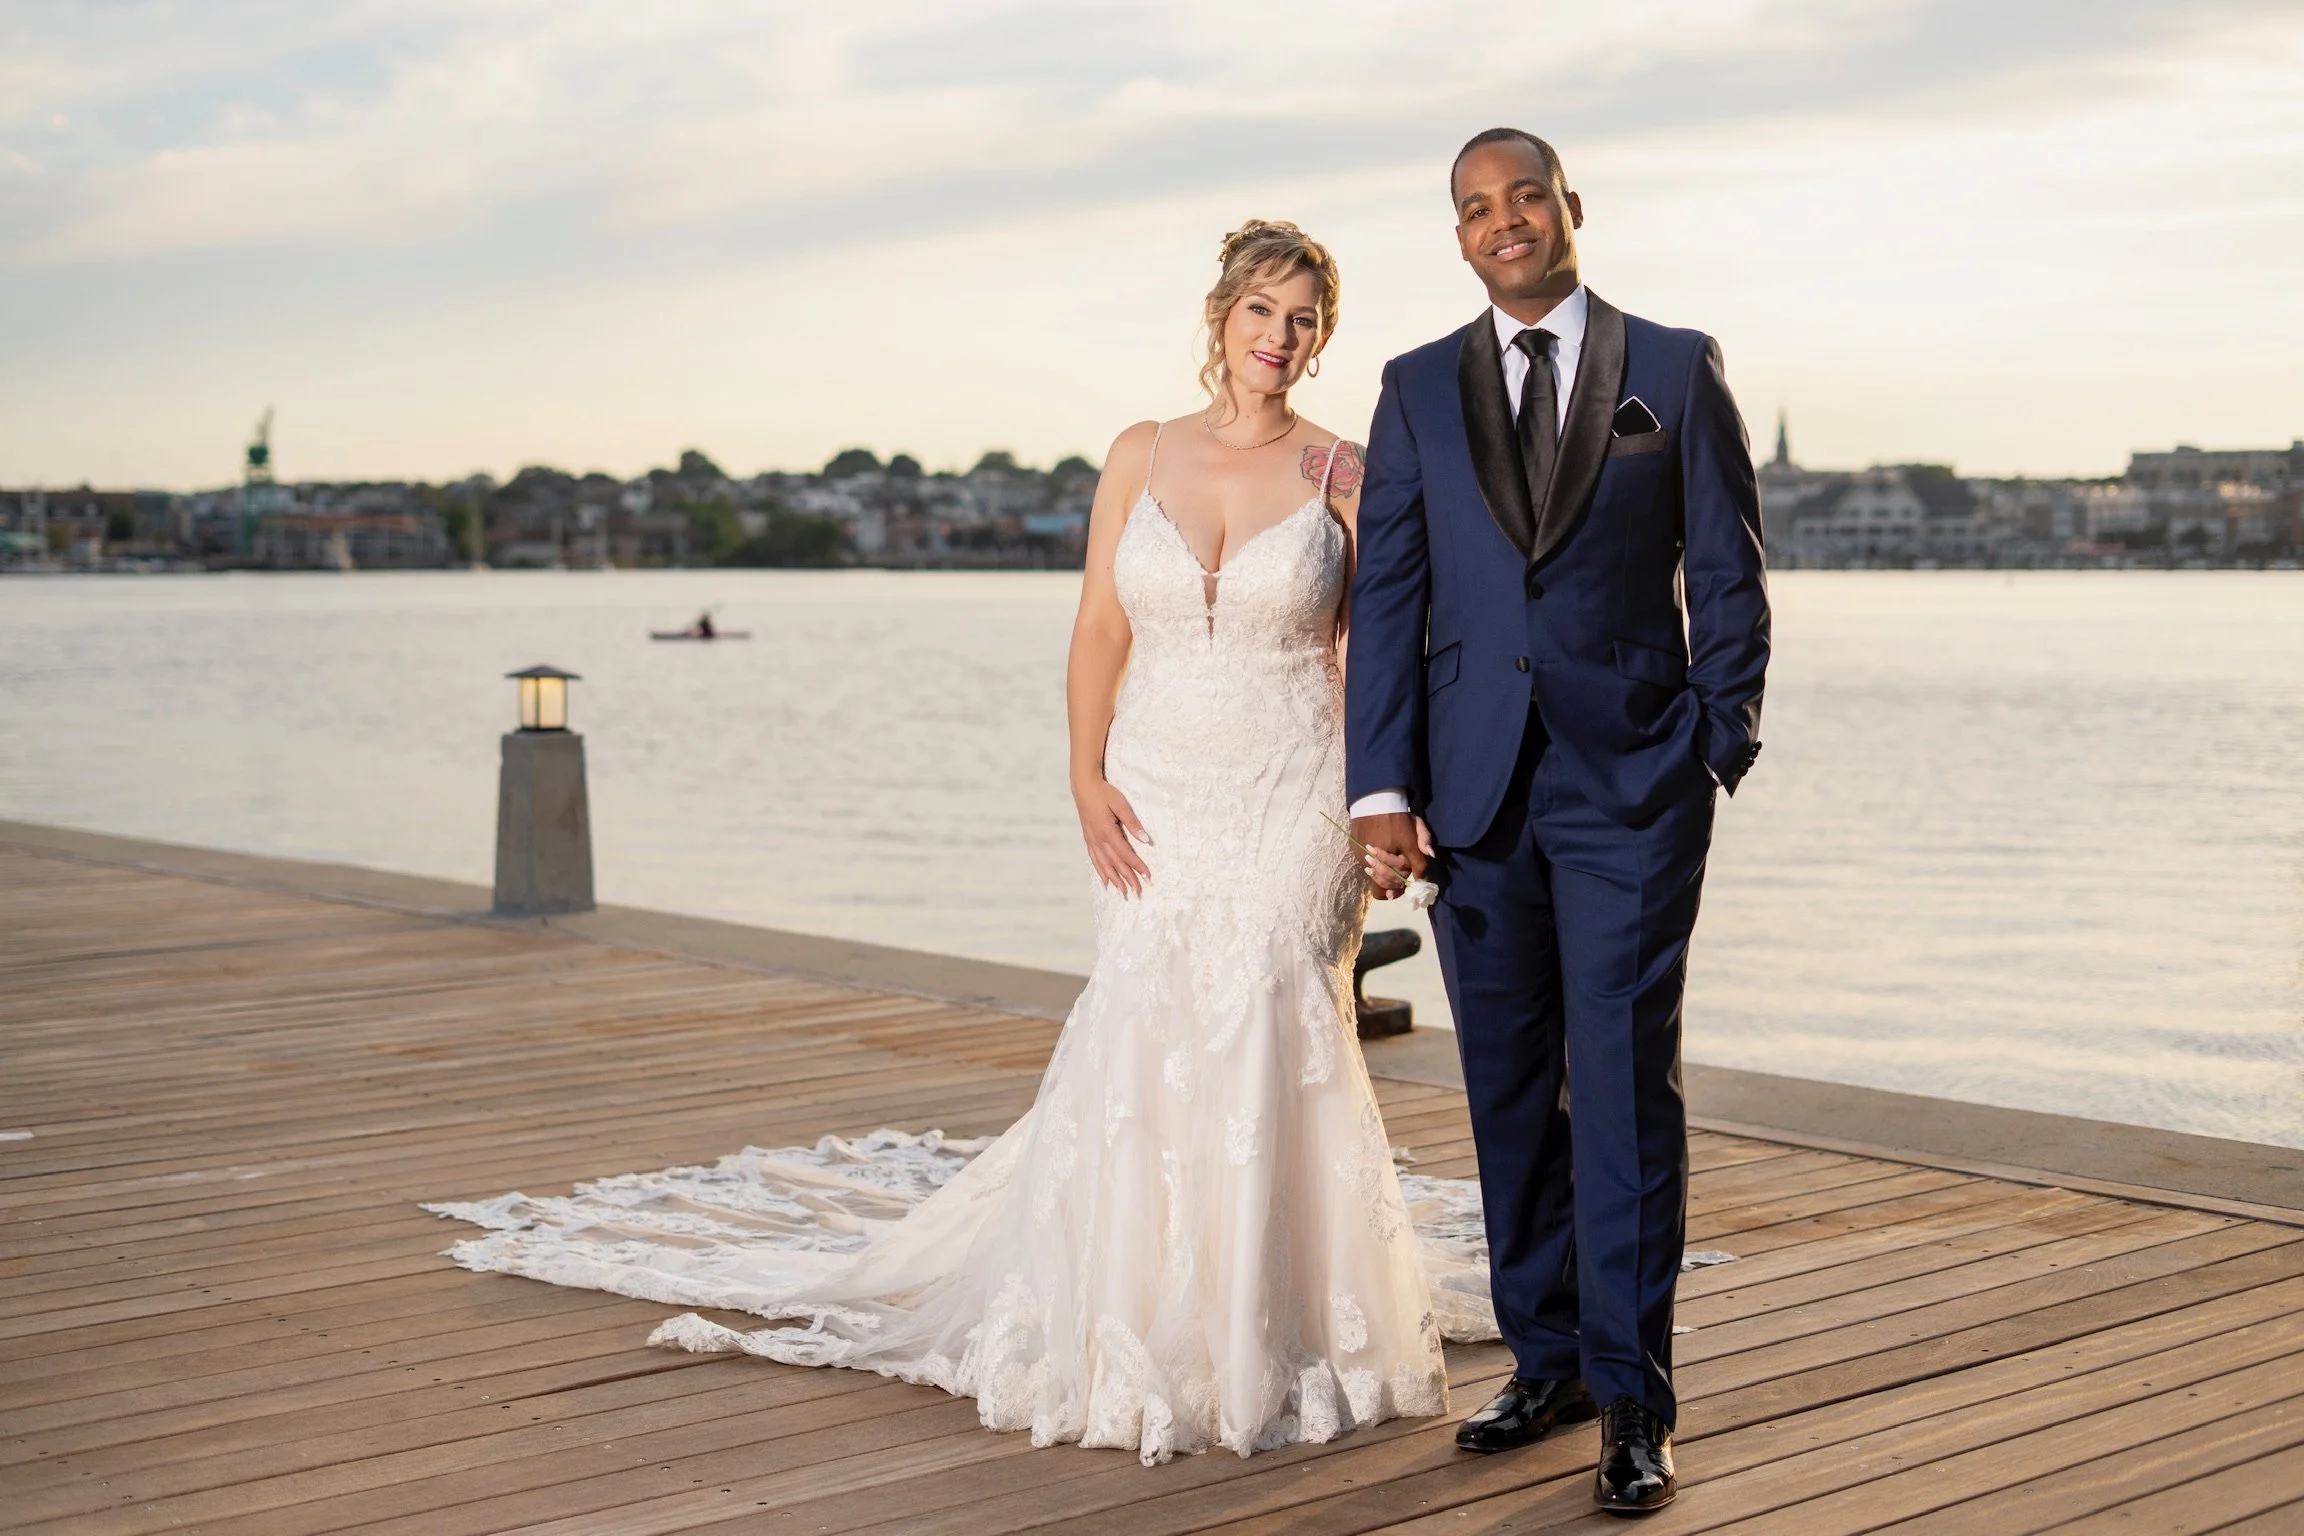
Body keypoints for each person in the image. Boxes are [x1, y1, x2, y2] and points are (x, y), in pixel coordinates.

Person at [424, 220, 1493, 1467]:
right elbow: (1100, 627)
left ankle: (1280, 1324)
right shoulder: (1136, 456)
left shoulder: (1344, 474)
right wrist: (1084, 774)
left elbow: (1367, 657)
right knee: (1151, 1014)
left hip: (1288, 782)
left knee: (1265, 1003)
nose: (1281, 338)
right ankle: (1141, 1303)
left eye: (1305, 319)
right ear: (1221, 317)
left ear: (1325, 337)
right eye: (1264, 310)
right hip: (1154, 778)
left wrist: (1382, 802)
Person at [1347, 129, 1770, 1514]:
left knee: (1627, 1091)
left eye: (1525, 197)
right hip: (1471, 800)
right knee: (1509, 1091)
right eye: (1476, 209)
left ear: (1569, 208)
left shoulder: (1671, 366)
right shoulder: (1413, 389)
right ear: (1459, 236)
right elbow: (1394, 602)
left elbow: (1726, 568)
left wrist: (1717, 737)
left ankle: (1635, 1402)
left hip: (1633, 788)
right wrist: (1384, 790)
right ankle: (1546, 1363)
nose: (1505, 222)